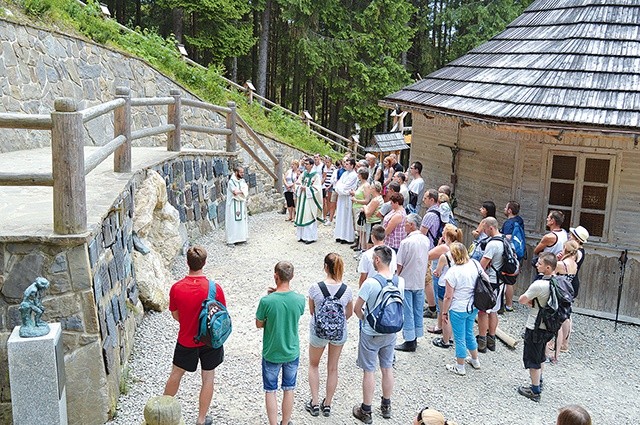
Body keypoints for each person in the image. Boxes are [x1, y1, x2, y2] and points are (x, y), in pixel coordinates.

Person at [164, 246, 225, 425]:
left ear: (187, 263)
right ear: (204, 263)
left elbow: (176, 315)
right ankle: (201, 419)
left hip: (186, 340)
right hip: (210, 341)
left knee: (176, 373)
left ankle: (163, 412)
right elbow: (220, 315)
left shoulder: (177, 288)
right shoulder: (215, 288)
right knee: (208, 376)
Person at [353, 246, 405, 423]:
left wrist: (365, 320)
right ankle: (386, 405)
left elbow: (357, 308)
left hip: (371, 331)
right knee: (387, 367)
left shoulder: (370, 283)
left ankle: (366, 410)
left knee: (369, 370)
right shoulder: (400, 282)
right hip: (391, 331)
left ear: (377, 260)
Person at [256, 261, 306, 425]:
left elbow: (259, 324)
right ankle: (285, 422)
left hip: (272, 352)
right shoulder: (299, 299)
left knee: (270, 390)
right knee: (289, 388)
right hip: (291, 350)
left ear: (275, 276)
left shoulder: (267, 301)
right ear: (292, 277)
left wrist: (272, 296)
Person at [305, 253, 353, 417]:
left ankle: (315, 402)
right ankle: (328, 404)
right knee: (333, 367)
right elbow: (349, 313)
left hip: (318, 332)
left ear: (325, 267)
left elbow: (312, 311)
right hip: (339, 333)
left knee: (314, 365)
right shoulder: (347, 290)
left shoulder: (315, 287)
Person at [517, 252, 557, 402]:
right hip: (548, 326)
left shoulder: (539, 284)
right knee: (540, 355)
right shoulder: (557, 282)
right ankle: (539, 381)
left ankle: (534, 391)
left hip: (535, 325)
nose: (536, 265)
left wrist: (532, 301)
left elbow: (522, 299)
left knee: (532, 358)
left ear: (547, 267)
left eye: (540, 264)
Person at [441, 242, 483, 375]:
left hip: (458, 308)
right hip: (473, 305)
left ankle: (460, 366)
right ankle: (475, 360)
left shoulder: (452, 272)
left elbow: (448, 296)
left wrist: (444, 312)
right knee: (469, 332)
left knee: (459, 337)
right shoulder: (475, 264)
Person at [395, 213, 431, 352]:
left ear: (411, 225)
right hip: (419, 279)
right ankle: (416, 334)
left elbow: (400, 263)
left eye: (406, 224)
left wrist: (396, 276)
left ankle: (409, 339)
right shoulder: (425, 240)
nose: (404, 226)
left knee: (408, 310)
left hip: (407, 279)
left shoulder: (406, 242)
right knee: (417, 309)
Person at [428, 224, 464, 346]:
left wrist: (435, 271)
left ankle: (445, 340)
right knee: (451, 311)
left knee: (444, 312)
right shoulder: (460, 250)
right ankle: (451, 336)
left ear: (447, 236)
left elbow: (437, 272)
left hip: (444, 283)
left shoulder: (444, 254)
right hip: (457, 284)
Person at [546, 240, 580, 361]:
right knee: (564, 320)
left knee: (553, 322)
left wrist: (557, 259)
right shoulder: (575, 264)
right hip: (567, 291)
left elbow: (551, 275)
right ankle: (561, 348)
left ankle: (548, 346)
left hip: (558, 292)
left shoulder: (562, 264)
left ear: (565, 249)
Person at [477, 217, 505, 353]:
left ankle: (481, 341)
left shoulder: (492, 244)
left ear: (491, 228)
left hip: (490, 281)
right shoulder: (505, 240)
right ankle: (491, 340)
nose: (484, 231)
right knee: (494, 311)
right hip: (501, 281)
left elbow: (482, 265)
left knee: (483, 311)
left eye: (485, 228)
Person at [420, 189, 442, 319]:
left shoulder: (429, 215)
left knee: (427, 280)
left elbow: (422, 233)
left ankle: (432, 307)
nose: (423, 200)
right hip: (437, 248)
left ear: (431, 200)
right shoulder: (440, 211)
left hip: (429, 249)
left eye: (425, 198)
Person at [501, 201, 525, 311]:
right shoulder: (519, 220)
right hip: (519, 253)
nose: (504, 209)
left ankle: (508, 305)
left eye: (506, 207)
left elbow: (508, 238)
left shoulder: (509, 223)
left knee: (508, 280)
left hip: (511, 254)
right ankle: (508, 303)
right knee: (512, 279)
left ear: (510, 210)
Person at [294, 158, 323, 244]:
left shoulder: (316, 176)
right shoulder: (303, 174)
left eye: (307, 164)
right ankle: (301, 236)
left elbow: (317, 188)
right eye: (305, 164)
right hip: (302, 197)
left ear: (311, 165)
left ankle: (310, 238)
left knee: (308, 216)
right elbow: (298, 182)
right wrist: (299, 187)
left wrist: (307, 189)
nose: (305, 165)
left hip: (310, 199)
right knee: (302, 216)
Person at [334, 158, 358, 244]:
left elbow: (346, 187)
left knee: (347, 217)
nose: (345, 165)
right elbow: (338, 184)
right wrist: (340, 188)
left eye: (347, 164)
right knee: (340, 215)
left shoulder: (354, 175)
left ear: (352, 165)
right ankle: (340, 235)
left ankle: (347, 237)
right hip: (341, 197)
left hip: (348, 198)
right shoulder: (344, 173)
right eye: (345, 163)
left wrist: (341, 188)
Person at [225, 166, 249, 245]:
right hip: (233, 204)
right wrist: (242, 191)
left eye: (243, 172)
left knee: (242, 221)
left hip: (241, 203)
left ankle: (241, 238)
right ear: (236, 172)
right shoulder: (231, 181)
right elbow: (235, 192)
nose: (242, 174)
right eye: (241, 172)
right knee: (233, 221)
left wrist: (241, 191)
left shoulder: (242, 181)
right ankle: (231, 240)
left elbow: (246, 190)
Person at [351, 167, 372, 252]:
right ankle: (360, 245)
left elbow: (367, 200)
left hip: (360, 208)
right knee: (358, 229)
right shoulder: (360, 184)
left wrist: (355, 200)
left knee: (362, 230)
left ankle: (363, 248)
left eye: (358, 174)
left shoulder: (366, 185)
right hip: (355, 207)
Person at [322, 156, 336, 225]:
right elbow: (324, 177)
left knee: (330, 201)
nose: (327, 163)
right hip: (325, 185)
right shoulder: (324, 168)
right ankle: (326, 214)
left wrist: (329, 186)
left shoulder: (333, 169)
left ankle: (330, 214)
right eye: (326, 162)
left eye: (328, 162)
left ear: (331, 162)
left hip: (330, 186)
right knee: (326, 201)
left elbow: (333, 179)